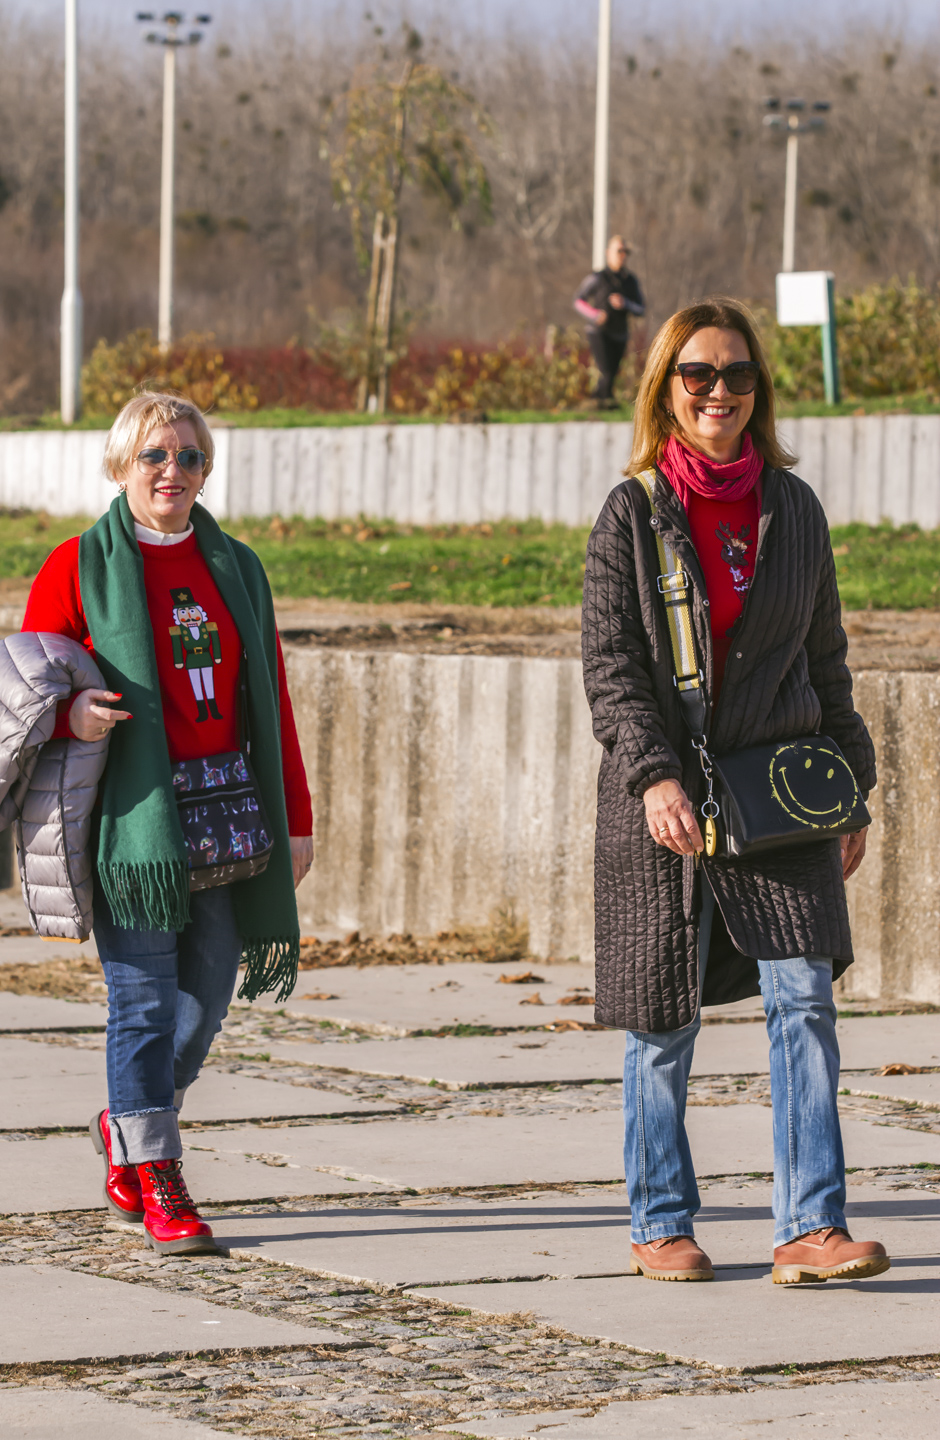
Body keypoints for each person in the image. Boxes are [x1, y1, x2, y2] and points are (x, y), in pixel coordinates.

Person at [581, 298, 889, 1285]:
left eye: (739, 375)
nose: (720, 392)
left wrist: (853, 788)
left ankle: (809, 1228)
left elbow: (825, 660)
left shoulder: (792, 509)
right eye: (698, 375)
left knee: (801, 998)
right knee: (662, 1018)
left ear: (759, 392)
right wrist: (654, 776)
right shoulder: (630, 512)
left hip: (782, 793)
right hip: (665, 804)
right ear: (666, 389)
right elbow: (611, 664)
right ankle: (659, 1220)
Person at [21, 391, 314, 1256]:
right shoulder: (76, 567)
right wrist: (73, 715)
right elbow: (31, 684)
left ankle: (125, 1120)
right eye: (154, 455)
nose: (172, 472)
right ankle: (159, 1172)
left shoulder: (237, 567)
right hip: (131, 818)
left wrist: (295, 814)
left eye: (189, 457)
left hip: (226, 808)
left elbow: (274, 700)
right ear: (121, 466)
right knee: (143, 1002)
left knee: (207, 996)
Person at [574, 235, 645, 406]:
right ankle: (600, 402)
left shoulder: (630, 281)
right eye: (619, 251)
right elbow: (578, 301)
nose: (623, 255)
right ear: (608, 253)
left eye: (626, 252)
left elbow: (641, 309)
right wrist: (595, 315)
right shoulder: (598, 278)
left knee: (612, 373)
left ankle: (601, 402)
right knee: (606, 371)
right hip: (599, 332)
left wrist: (625, 303)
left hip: (620, 333)